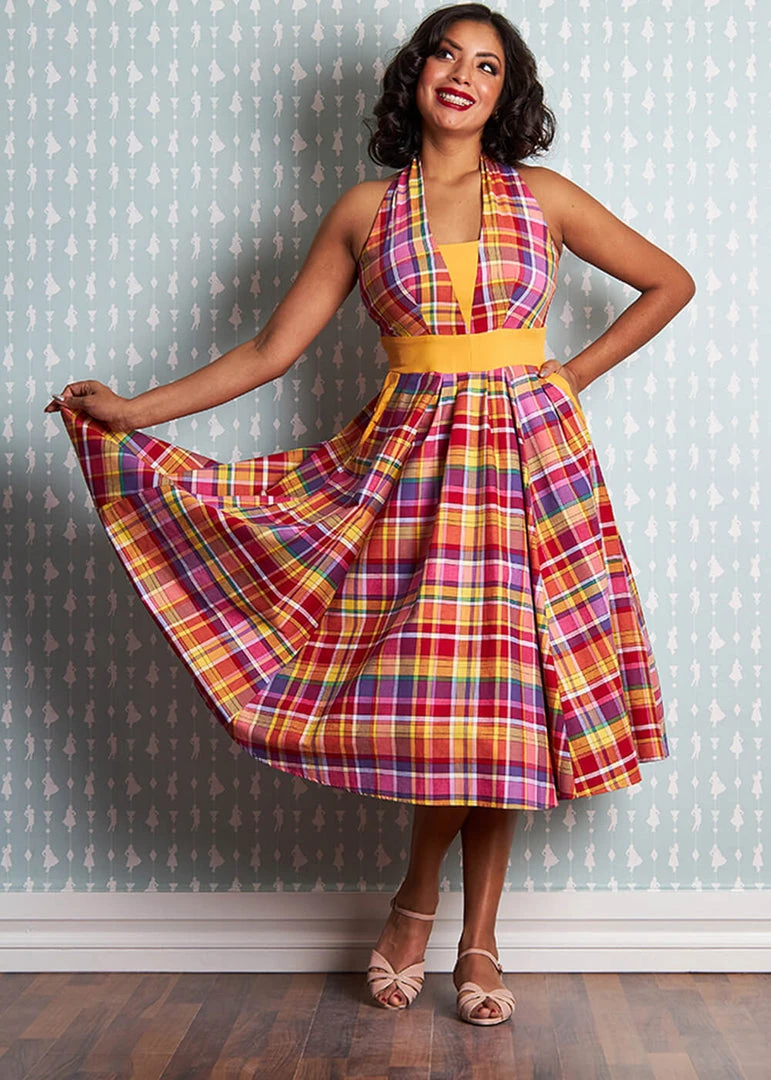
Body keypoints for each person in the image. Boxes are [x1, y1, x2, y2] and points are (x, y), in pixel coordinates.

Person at [45, 3, 694, 1026]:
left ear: (506, 93)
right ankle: (418, 904)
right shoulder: (363, 210)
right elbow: (270, 352)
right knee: (448, 704)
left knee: (505, 704)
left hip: (531, 466)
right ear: (416, 73)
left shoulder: (546, 196)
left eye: (488, 65)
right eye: (447, 54)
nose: (464, 75)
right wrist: (132, 411)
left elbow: (669, 282)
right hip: (407, 472)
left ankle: (468, 935)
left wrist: (564, 378)